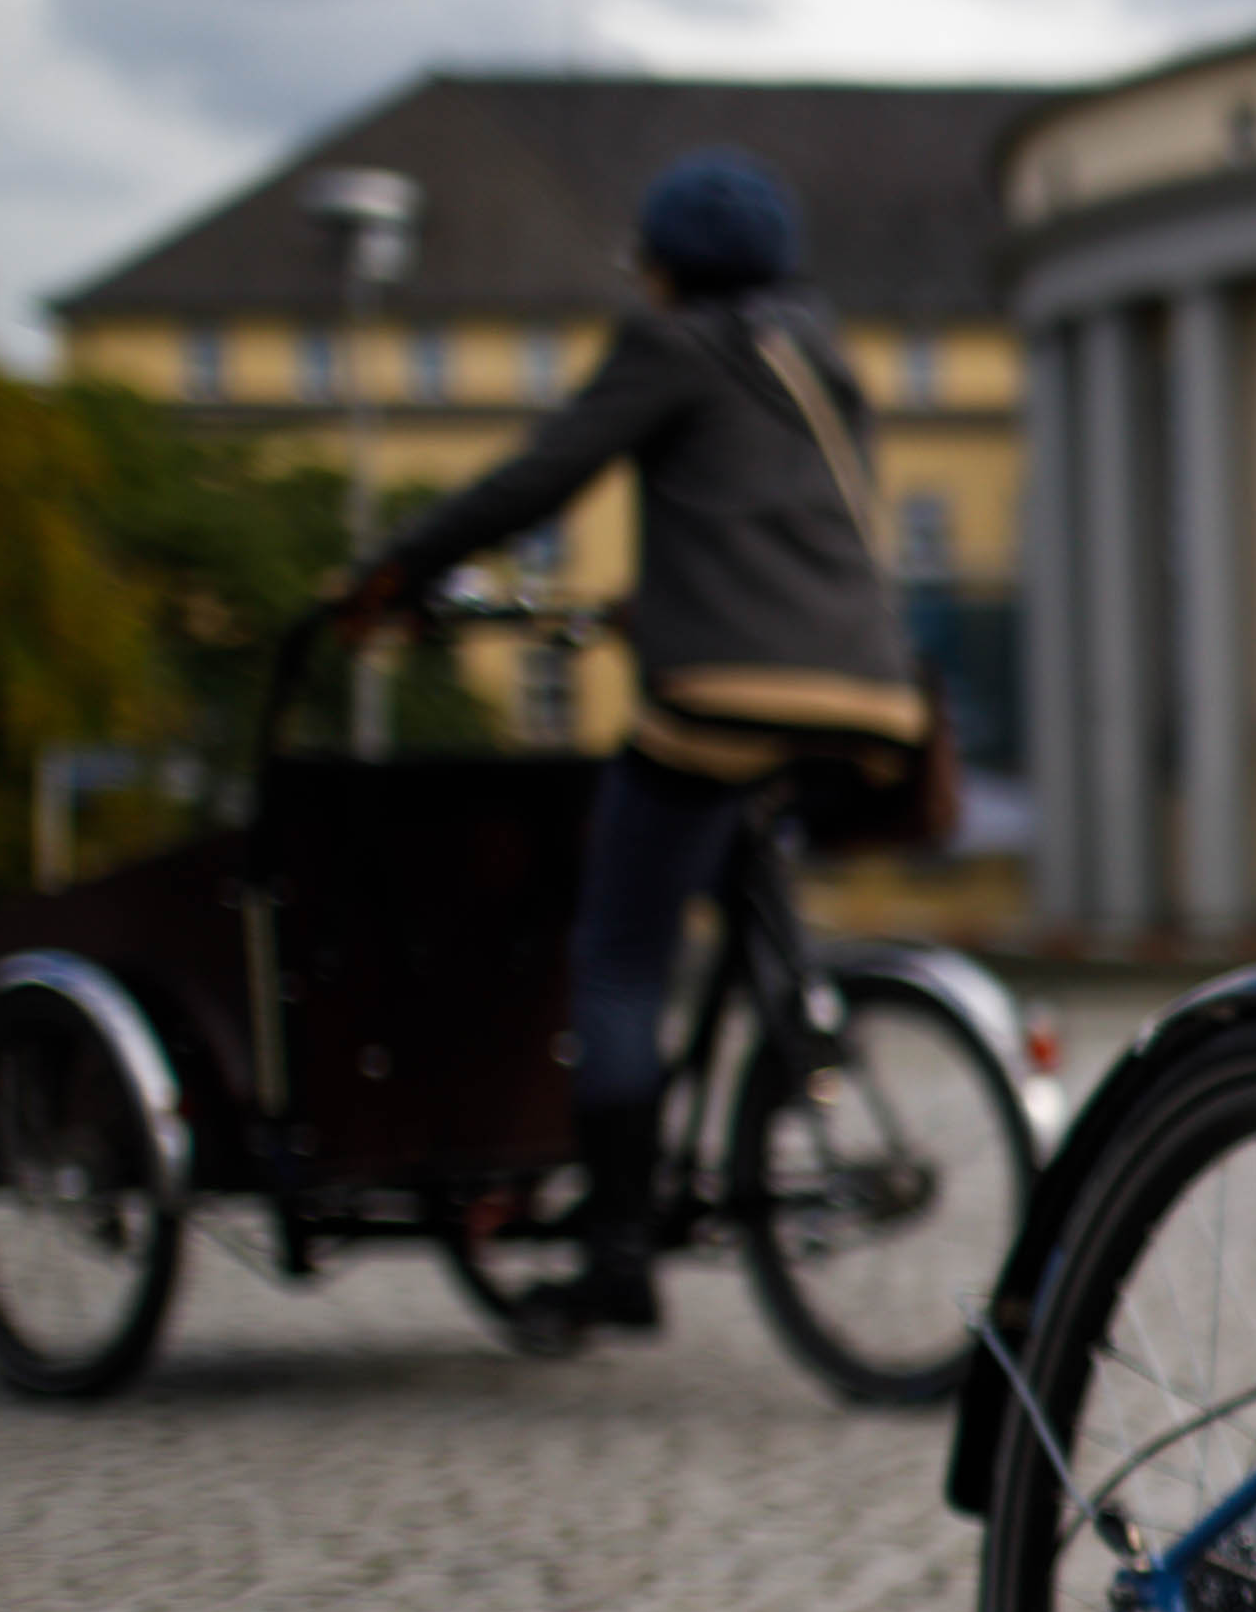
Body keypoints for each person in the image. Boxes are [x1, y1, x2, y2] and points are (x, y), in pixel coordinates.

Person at [330, 148, 926, 1334]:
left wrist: (399, 569)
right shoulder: (823, 357)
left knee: (616, 951)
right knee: (737, 837)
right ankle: (794, 1009)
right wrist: (642, 610)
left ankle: (616, 1256)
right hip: (869, 688)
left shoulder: (670, 346)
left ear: (662, 269)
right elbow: (774, 529)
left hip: (726, 691)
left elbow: (543, 476)